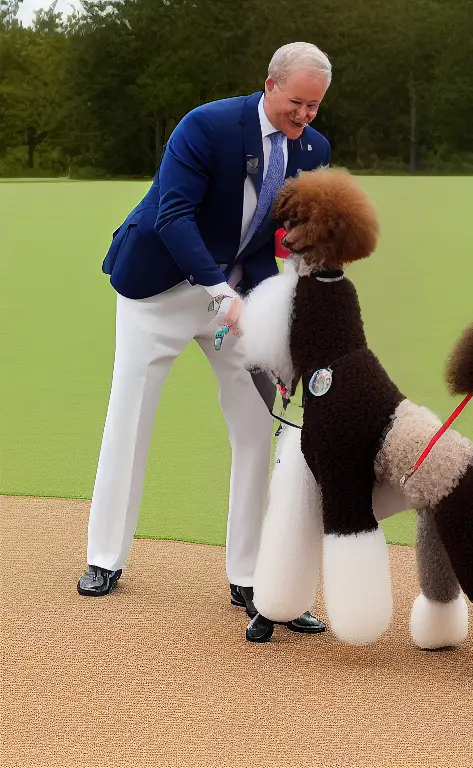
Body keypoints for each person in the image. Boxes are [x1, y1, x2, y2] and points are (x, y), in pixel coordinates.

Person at [78, 42, 333, 638]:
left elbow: (286, 239)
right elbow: (173, 216)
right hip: (159, 290)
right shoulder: (207, 124)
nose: (305, 118)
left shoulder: (314, 148)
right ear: (268, 84)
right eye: (297, 102)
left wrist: (281, 322)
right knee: (131, 417)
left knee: (255, 425)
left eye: (315, 107)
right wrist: (219, 291)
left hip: (239, 301)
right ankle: (104, 558)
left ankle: (251, 578)